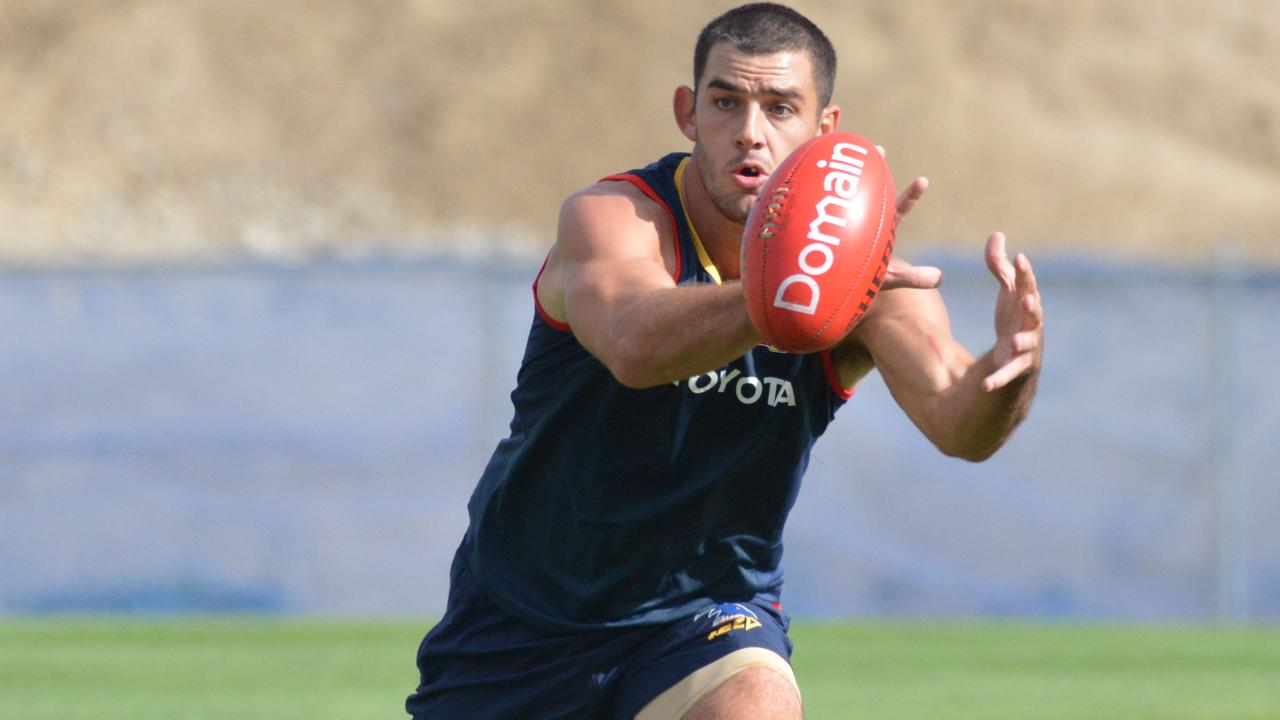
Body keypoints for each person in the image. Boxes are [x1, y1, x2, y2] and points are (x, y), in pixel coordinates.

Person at [406, 3, 1044, 718]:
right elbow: (633, 343)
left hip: (706, 616)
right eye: (725, 102)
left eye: (780, 108)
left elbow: (959, 422)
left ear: (823, 131)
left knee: (756, 704)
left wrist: (1008, 373)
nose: (750, 131)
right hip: (523, 620)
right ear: (688, 113)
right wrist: (787, 291)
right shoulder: (615, 218)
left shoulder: (864, 282)